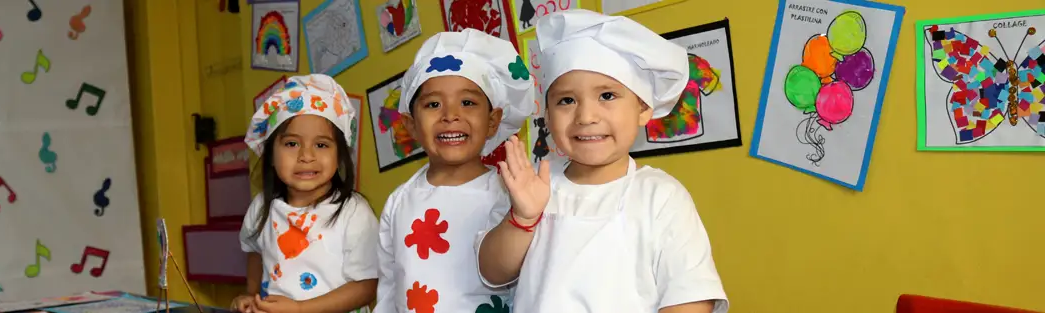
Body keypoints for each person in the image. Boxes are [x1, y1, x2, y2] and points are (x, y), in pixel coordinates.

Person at [476, 9, 729, 313]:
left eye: (607, 96)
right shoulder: (532, 186)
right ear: (546, 115)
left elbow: (690, 297)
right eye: (566, 100)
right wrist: (523, 219)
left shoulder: (661, 197)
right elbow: (492, 273)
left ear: (643, 109)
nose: (586, 116)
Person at [375, 29, 534, 313]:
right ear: (411, 125)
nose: (450, 115)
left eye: (468, 103)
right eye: (433, 104)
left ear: (492, 121)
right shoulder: (398, 201)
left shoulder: (511, 195)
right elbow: (389, 288)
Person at [233, 74, 378, 313]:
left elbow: (367, 286)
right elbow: (255, 251)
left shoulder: (354, 212)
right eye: (292, 144)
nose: (306, 156)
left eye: (321, 145)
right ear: (270, 154)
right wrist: (251, 296)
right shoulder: (261, 207)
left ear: (340, 156)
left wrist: (301, 309)